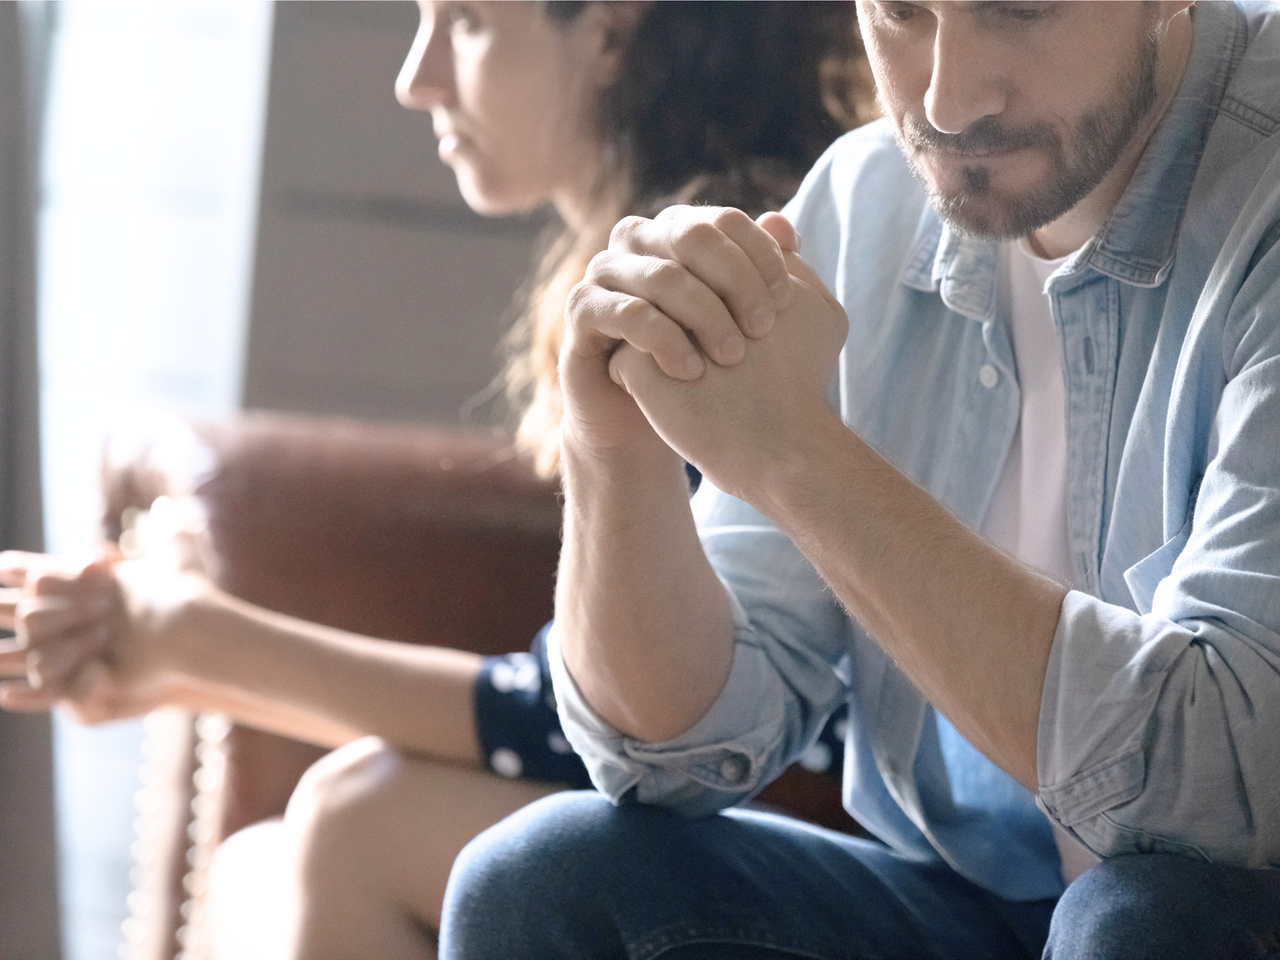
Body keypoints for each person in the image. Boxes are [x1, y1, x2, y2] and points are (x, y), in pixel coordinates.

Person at [0, 3, 868, 958]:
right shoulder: (655, 257)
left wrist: (195, 643)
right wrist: (183, 649)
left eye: (467, 23)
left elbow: (613, 724)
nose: (416, 79)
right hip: (725, 801)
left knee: (357, 817)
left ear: (612, 33)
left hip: (819, 822)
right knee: (257, 874)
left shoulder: (720, 282)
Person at [435, 1, 1280, 958]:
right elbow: (666, 751)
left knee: (1145, 922)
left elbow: (1223, 792)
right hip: (987, 904)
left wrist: (800, 457)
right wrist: (613, 445)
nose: (949, 100)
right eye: (902, 12)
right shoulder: (869, 200)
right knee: (546, 878)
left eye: (1021, 8)